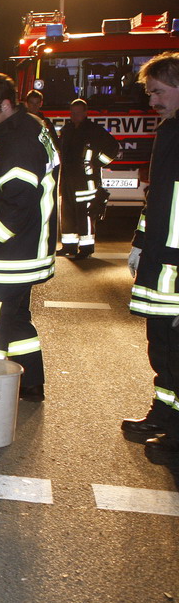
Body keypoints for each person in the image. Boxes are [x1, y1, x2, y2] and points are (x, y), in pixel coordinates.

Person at [0, 73, 59, 401]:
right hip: (30, 247)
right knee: (16, 320)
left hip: (10, 253)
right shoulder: (29, 125)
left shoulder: (20, 144)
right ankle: (30, 384)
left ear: (6, 105)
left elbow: (17, 208)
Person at [121, 52, 179, 465]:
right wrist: (142, 241)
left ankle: (176, 436)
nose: (151, 102)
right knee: (162, 346)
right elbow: (159, 198)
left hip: (175, 266)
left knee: (175, 349)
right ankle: (164, 415)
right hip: (163, 262)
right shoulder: (171, 129)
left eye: (157, 92)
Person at [56, 98, 119, 258]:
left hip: (85, 182)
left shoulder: (93, 130)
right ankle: (69, 246)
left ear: (85, 113)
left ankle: (86, 248)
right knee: (67, 214)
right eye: (72, 113)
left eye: (78, 113)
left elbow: (113, 148)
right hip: (68, 180)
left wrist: (97, 163)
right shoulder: (67, 130)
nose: (74, 115)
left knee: (85, 215)